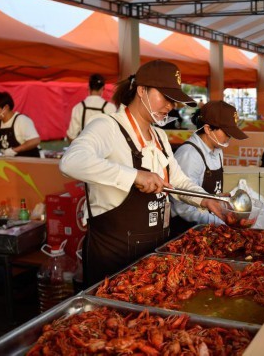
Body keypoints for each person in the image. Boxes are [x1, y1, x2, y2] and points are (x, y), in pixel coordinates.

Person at [59, 60, 224, 287]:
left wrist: (207, 200)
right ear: (141, 90)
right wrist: (134, 175)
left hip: (153, 255)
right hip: (112, 258)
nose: (170, 106)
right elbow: (71, 162)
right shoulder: (107, 126)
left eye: (173, 101)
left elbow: (177, 181)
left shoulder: (160, 136)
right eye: (165, 97)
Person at [170, 100, 248, 234]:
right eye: (226, 132)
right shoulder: (189, 155)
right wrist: (221, 221)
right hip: (186, 229)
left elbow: (209, 195)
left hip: (207, 227)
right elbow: (183, 207)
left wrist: (221, 202)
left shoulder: (217, 150)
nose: (229, 137)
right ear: (207, 129)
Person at [0, 91, 41, 157]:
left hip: (30, 162)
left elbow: (35, 141)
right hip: (11, 165)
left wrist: (14, 150)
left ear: (6, 107)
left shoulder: (22, 120)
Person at [66, 74, 116, 141]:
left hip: (85, 148)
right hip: (105, 149)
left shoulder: (78, 108)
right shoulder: (110, 107)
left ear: (89, 87)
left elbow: (71, 136)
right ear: (102, 88)